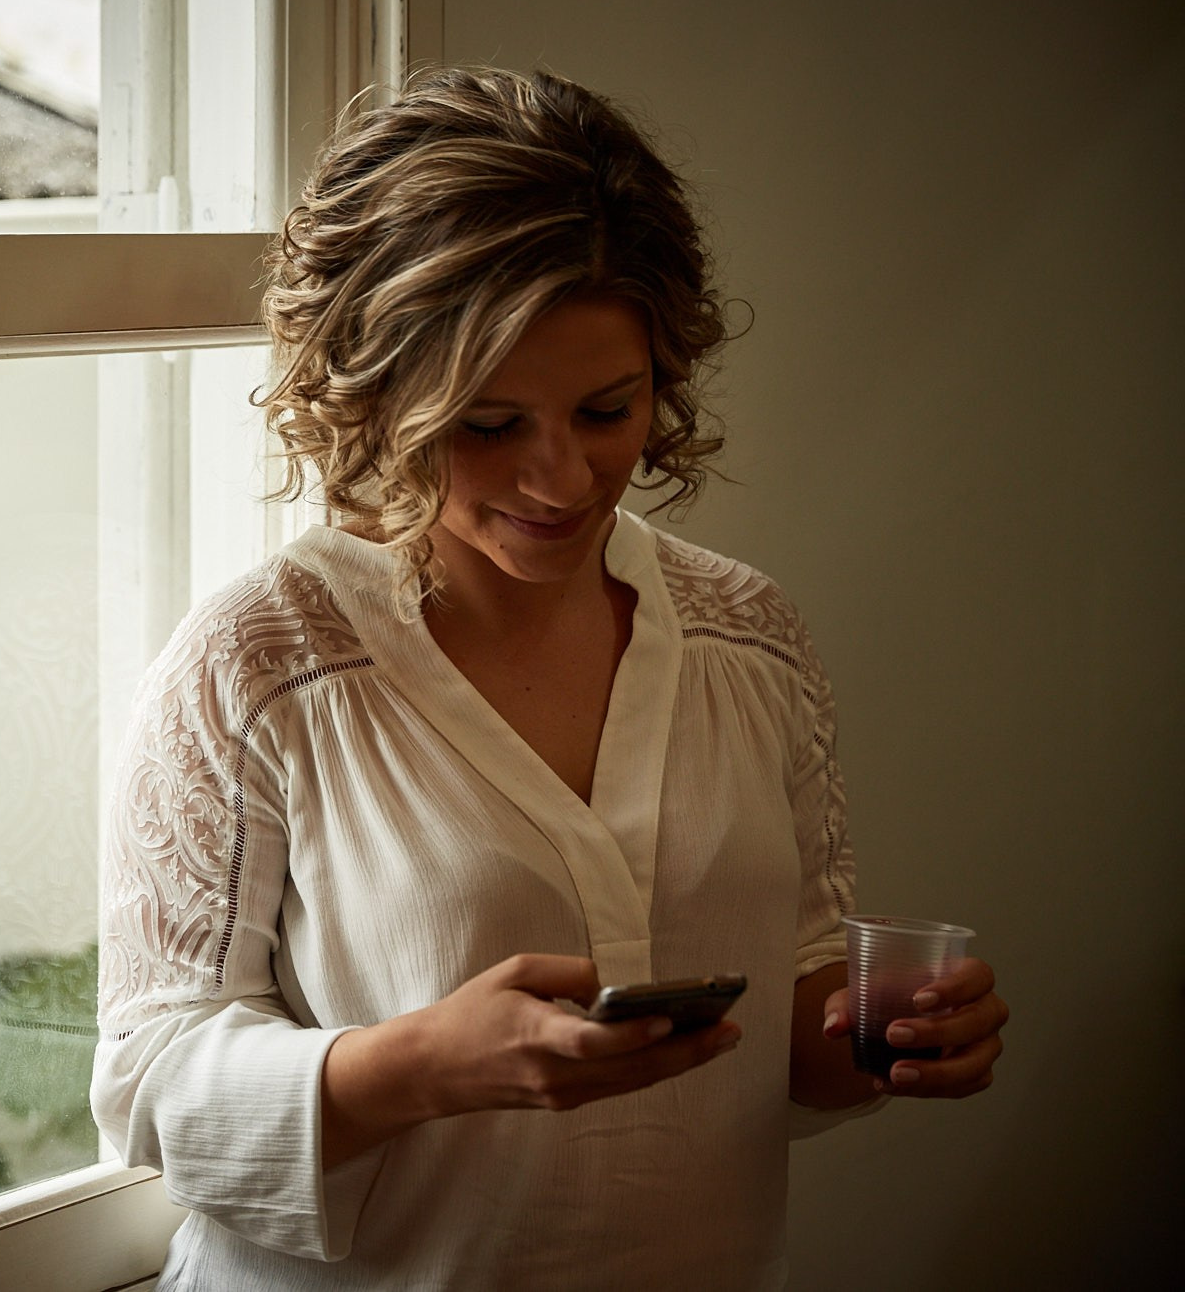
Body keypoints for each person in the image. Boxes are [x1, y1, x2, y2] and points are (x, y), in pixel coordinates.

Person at [89, 67, 1008, 1290]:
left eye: (605, 411)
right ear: (370, 396)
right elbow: (145, 1083)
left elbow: (792, 1018)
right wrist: (421, 1064)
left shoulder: (749, 638)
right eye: (488, 425)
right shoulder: (260, 664)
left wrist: (890, 1039)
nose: (561, 478)